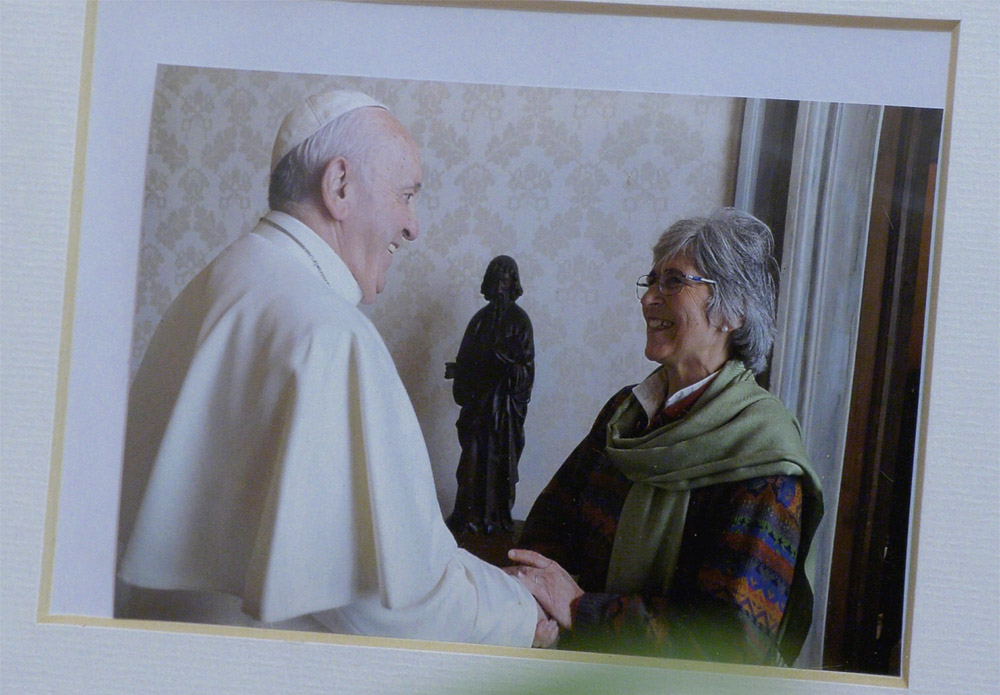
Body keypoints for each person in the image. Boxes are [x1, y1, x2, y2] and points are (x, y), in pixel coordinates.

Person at [115, 90, 556, 648]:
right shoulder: (329, 335)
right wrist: (523, 616)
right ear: (339, 186)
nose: (413, 226)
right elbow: (387, 604)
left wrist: (488, 582)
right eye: (406, 195)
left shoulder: (219, 281)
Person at [507, 209, 824, 665]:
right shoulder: (625, 413)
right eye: (651, 281)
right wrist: (542, 611)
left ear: (732, 310)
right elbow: (548, 530)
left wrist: (580, 609)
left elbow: (731, 639)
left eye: (674, 282)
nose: (649, 299)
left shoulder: (764, 453)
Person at [445, 255, 534, 535]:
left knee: (500, 466)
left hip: (505, 412)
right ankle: (467, 518)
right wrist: (460, 371)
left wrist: (506, 366)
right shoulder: (479, 322)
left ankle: (496, 520)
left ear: (513, 285)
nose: (499, 289)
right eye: (495, 282)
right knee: (471, 464)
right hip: (479, 409)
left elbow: (526, 369)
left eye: (504, 282)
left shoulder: (520, 322)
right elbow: (467, 359)